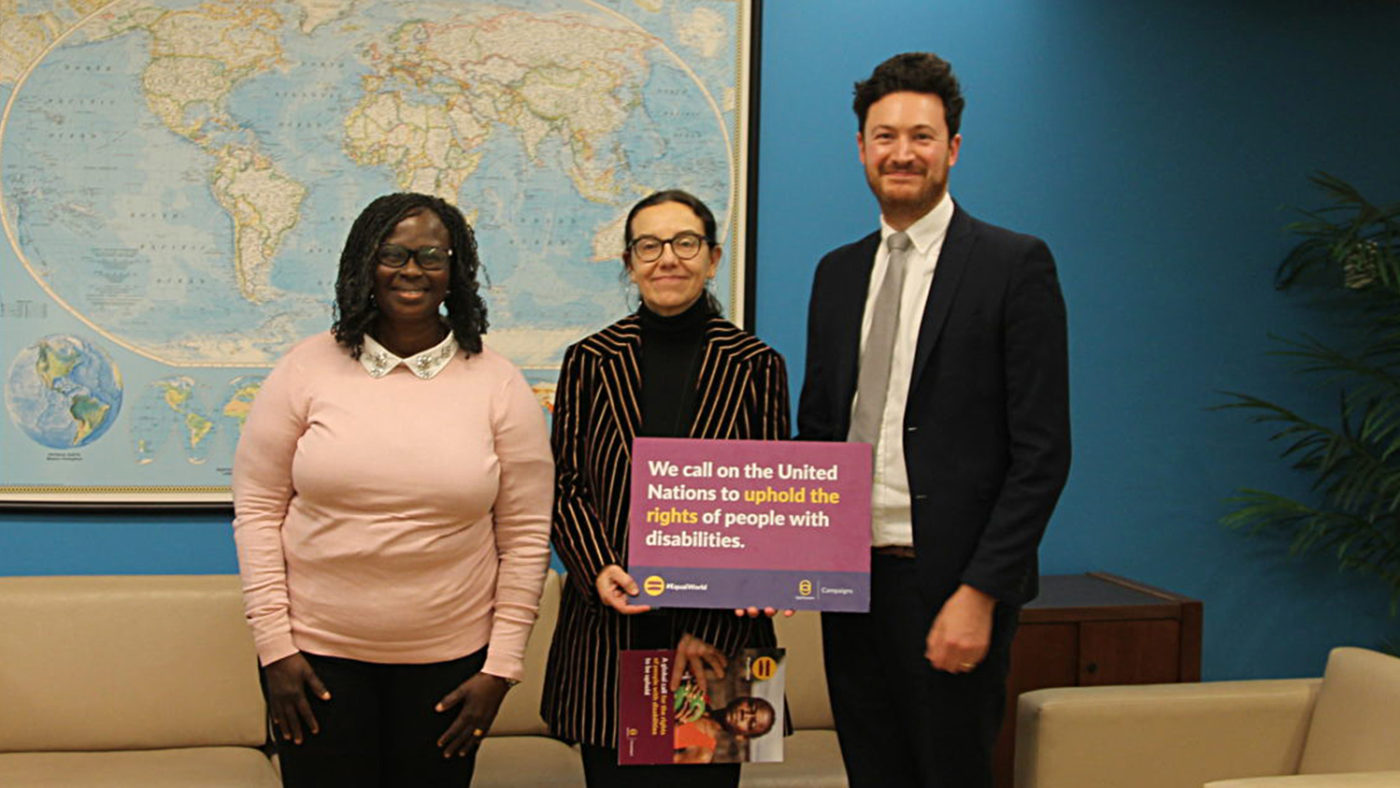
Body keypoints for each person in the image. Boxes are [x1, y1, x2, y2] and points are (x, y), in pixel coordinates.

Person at [797, 52, 1071, 787]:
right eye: (884, 136)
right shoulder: (837, 273)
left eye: (921, 135)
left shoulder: (1014, 266)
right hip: (852, 588)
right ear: (861, 149)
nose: (901, 152)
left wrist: (980, 593)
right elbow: (821, 430)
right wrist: (794, 562)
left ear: (952, 148)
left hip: (951, 586)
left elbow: (1042, 453)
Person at [231, 192, 553, 787]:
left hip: (454, 669)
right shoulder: (305, 368)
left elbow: (528, 536)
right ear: (363, 266)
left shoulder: (499, 383)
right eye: (392, 254)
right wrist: (275, 648)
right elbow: (255, 511)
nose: (412, 270)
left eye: (432, 255)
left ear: (455, 270)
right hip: (313, 663)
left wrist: (502, 667)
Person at [541, 189, 790, 788]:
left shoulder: (758, 366)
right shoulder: (589, 361)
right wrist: (598, 566)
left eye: (685, 243)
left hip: (718, 637)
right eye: (648, 246)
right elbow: (566, 485)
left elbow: (768, 507)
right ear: (630, 262)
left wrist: (712, 616)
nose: (667, 259)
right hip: (611, 629)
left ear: (713, 257)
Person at [673, 694, 778, 764]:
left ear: (741, 736)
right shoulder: (699, 696)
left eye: (751, 723)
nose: (745, 715)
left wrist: (673, 722)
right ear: (742, 698)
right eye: (750, 706)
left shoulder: (702, 753)